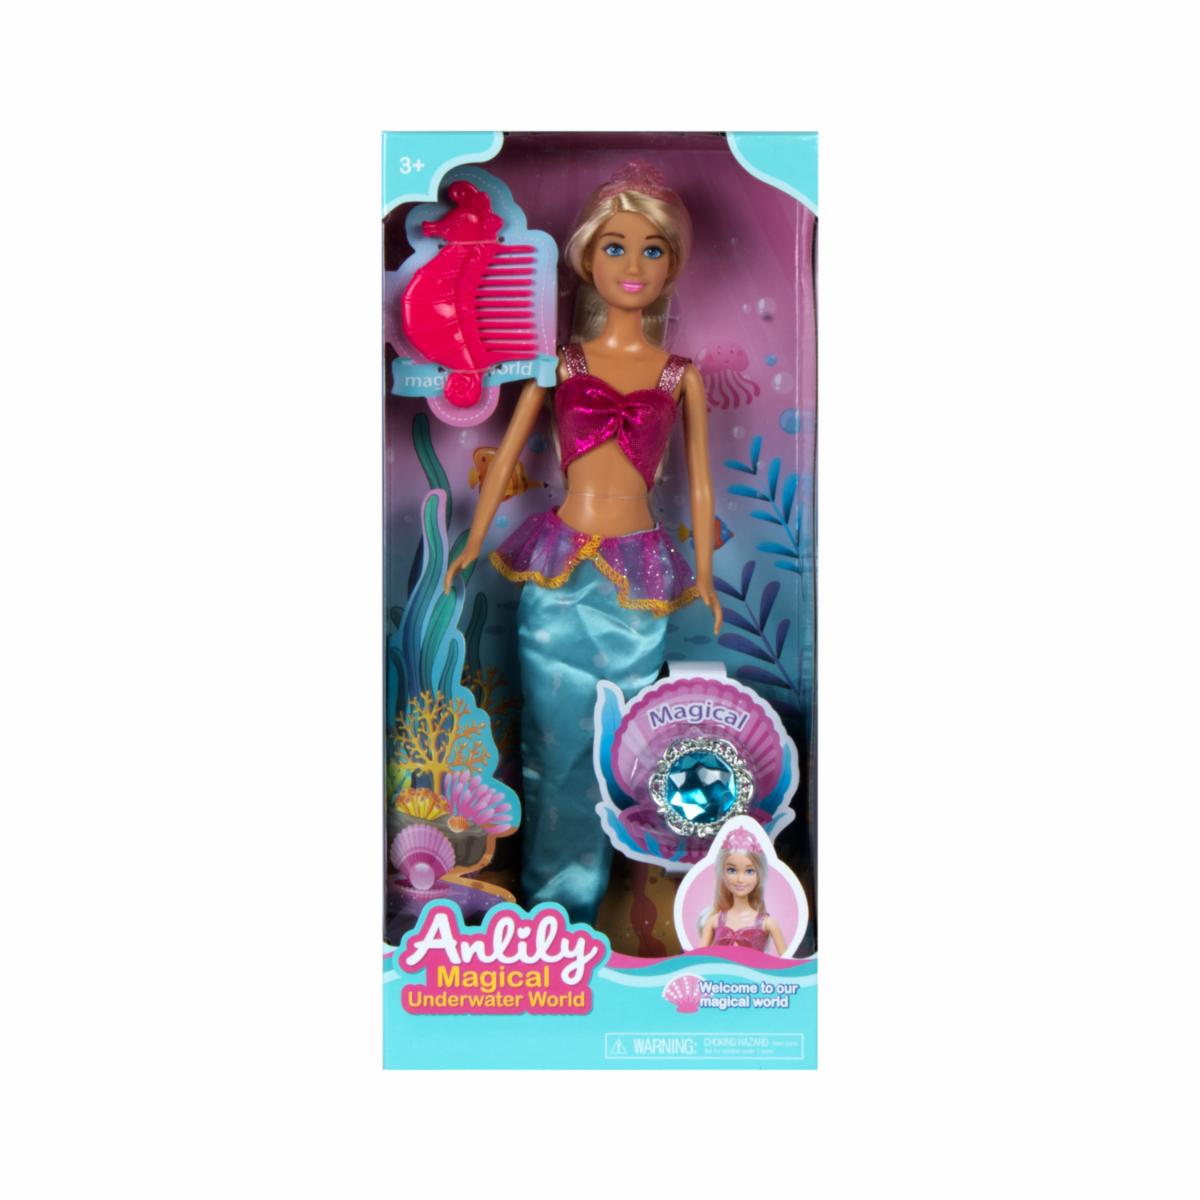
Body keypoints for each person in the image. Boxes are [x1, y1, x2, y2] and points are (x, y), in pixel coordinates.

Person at [443, 162, 721, 924]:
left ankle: (596, 901)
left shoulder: (679, 376)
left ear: (672, 264)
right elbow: (507, 454)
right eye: (616, 247)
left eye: (653, 249)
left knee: (621, 742)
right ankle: (550, 907)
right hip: (560, 573)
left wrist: (703, 575)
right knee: (550, 741)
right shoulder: (560, 365)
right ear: (588, 257)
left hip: (637, 581)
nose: (634, 265)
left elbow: (699, 485)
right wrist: (471, 542)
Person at [698, 826, 786, 955]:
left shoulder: (767, 923)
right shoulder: (714, 921)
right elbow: (698, 960)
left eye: (749, 871)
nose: (740, 879)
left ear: (759, 875)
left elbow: (787, 962)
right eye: (732, 870)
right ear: (722, 873)